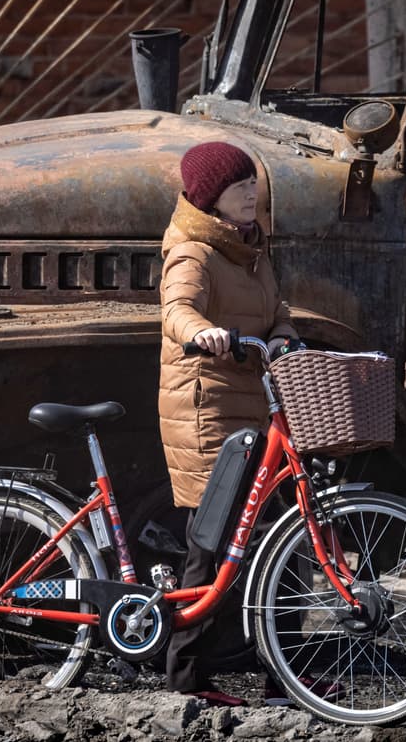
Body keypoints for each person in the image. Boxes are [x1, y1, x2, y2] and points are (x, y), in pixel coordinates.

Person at [157, 140, 298, 706]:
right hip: (207, 412)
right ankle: (185, 678)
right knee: (211, 545)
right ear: (211, 197)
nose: (251, 192)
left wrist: (283, 335)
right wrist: (202, 332)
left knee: (277, 538)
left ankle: (284, 677)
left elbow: (277, 310)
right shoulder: (193, 253)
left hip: (253, 406)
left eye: (252, 183)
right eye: (239, 185)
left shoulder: (250, 250)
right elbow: (176, 310)